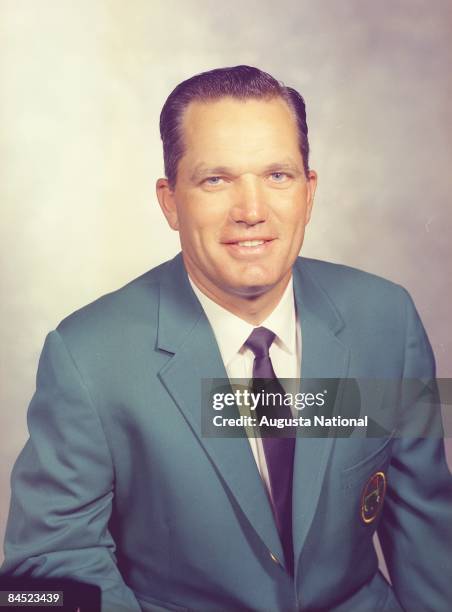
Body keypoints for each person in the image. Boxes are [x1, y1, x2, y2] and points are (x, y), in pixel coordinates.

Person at [1, 65, 451, 611]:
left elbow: (427, 532)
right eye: (216, 180)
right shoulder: (88, 357)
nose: (252, 211)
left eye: (278, 176)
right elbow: (47, 568)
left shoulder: (387, 319)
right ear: (170, 202)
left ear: (309, 192)